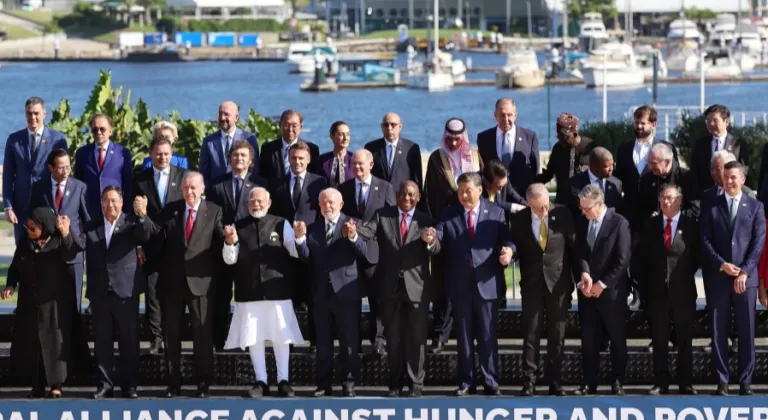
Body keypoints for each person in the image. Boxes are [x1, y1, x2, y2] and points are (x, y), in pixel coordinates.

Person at [134, 171, 225, 398]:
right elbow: (156, 237)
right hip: (173, 282)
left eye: (194, 187)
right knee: (171, 335)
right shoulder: (171, 210)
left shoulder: (214, 211)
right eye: (186, 187)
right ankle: (174, 383)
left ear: (202, 188)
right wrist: (144, 218)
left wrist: (230, 239)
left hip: (201, 282)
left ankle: (203, 382)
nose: (190, 192)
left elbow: (220, 239)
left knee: (202, 334)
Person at [423, 172, 514, 396]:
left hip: (487, 284)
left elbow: (507, 239)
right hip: (460, 286)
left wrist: (510, 251)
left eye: (468, 191)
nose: (463, 195)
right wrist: (431, 240)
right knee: (463, 337)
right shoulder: (448, 214)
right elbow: (439, 242)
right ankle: (466, 382)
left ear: (479, 190)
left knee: (488, 336)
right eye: (460, 191)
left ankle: (491, 382)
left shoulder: (496, 213)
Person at [357, 180, 438, 397]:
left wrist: (429, 241)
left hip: (416, 289)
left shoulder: (426, 220)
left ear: (418, 197)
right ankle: (395, 383)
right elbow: (366, 232)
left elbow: (436, 248)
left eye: (411, 195)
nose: (407, 198)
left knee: (416, 339)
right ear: (397, 195)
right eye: (403, 194)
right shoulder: (383, 215)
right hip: (389, 287)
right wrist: (352, 232)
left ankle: (415, 384)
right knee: (393, 338)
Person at [222, 187, 303, 398]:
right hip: (248, 292)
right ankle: (261, 381)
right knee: (254, 337)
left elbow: (294, 252)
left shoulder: (281, 223)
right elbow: (230, 259)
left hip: (277, 291)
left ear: (269, 203)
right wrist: (229, 242)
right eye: (252, 201)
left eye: (260, 201)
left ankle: (283, 380)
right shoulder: (238, 226)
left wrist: (299, 238)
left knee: (281, 336)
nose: (256, 204)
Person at [1, 208, 88, 398]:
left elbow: (71, 252)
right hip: (30, 305)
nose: (29, 231)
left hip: (54, 306)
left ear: (45, 228)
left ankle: (56, 385)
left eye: (33, 229)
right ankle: (37, 386)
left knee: (54, 346)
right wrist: (10, 285)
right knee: (34, 347)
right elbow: (15, 266)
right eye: (27, 227)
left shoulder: (58, 242)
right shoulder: (26, 243)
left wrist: (66, 233)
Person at [700, 161, 765, 396]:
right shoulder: (712, 206)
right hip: (719, 278)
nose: (729, 181)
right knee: (718, 330)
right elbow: (705, 240)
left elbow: (758, 242)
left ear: (743, 179)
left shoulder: (756, 207)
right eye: (726, 177)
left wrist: (745, 271)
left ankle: (746, 381)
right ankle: (722, 380)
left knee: (746, 330)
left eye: (733, 177)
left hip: (746, 280)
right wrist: (721, 264)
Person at [295, 188, 367, 397]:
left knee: (349, 342)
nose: (328, 206)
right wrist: (300, 240)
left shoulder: (354, 223)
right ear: (319, 205)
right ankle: (323, 384)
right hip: (320, 294)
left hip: (346, 292)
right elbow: (306, 257)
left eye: (331, 202)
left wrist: (353, 237)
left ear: (341, 204)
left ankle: (349, 383)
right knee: (323, 344)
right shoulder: (313, 228)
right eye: (324, 202)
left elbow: (364, 253)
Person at [509, 183, 578, 397]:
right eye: (539, 207)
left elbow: (574, 247)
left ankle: (555, 381)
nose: (545, 210)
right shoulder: (519, 221)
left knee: (557, 334)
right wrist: (509, 254)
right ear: (529, 204)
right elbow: (515, 247)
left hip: (559, 285)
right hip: (532, 285)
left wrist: (582, 275)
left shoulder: (563, 214)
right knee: (531, 333)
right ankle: (529, 381)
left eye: (546, 205)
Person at [84, 186, 151, 399]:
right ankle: (105, 385)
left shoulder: (132, 223)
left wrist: (143, 216)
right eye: (106, 201)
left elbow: (147, 233)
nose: (110, 205)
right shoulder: (91, 226)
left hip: (126, 291)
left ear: (122, 203)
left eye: (114, 201)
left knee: (129, 341)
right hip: (100, 292)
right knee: (102, 342)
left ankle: (129, 385)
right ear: (101, 203)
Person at [422, 118, 482, 354]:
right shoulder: (437, 158)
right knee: (443, 283)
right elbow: (429, 195)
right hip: (446, 224)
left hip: (473, 224)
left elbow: (484, 189)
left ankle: (475, 336)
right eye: (451, 137)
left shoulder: (476, 156)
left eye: (459, 137)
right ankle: (440, 336)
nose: (455, 141)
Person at [635, 184, 699, 395]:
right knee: (660, 339)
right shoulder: (651, 225)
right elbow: (642, 259)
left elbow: (697, 257)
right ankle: (661, 382)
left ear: (680, 200)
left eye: (670, 198)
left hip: (683, 292)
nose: (665, 202)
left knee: (684, 338)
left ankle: (685, 382)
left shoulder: (691, 226)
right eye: (662, 198)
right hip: (657, 293)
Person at [206, 140, 268, 350]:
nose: (238, 158)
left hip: (250, 249)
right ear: (229, 159)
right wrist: (224, 234)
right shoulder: (216, 184)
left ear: (250, 161)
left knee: (247, 297)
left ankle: (249, 341)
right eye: (235, 155)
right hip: (223, 246)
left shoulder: (260, 184)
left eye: (243, 156)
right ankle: (219, 341)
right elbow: (212, 214)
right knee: (221, 296)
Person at [574, 184, 632, 396]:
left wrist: (602, 284)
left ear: (599, 205)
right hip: (588, 292)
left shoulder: (619, 223)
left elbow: (622, 260)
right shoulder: (582, 222)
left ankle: (617, 380)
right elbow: (580, 252)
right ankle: (590, 382)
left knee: (617, 339)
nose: (583, 212)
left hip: (612, 293)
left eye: (586, 208)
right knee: (589, 340)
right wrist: (584, 274)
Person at [131, 136, 187, 355]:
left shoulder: (182, 176)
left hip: (175, 244)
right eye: (158, 153)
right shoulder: (140, 179)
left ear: (171, 152)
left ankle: (172, 337)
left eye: (166, 153)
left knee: (174, 293)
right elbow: (133, 214)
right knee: (152, 294)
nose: (162, 157)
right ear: (150, 153)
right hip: (150, 245)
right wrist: (138, 245)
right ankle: (156, 338)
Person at [338, 149, 396, 354]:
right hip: (350, 252)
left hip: (375, 251)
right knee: (351, 299)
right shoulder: (343, 188)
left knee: (377, 299)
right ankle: (353, 340)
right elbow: (339, 216)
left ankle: (378, 339)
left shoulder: (385, 187)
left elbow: (391, 219)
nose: (357, 168)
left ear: (371, 165)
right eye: (354, 164)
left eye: (361, 164)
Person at [28, 149, 91, 313]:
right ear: (51, 167)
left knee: (73, 304)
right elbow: (31, 218)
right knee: (48, 306)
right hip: (47, 255)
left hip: (73, 254)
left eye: (68, 167)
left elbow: (88, 221)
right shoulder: (39, 187)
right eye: (61, 167)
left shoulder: (79, 187)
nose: (65, 171)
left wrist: (80, 241)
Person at [3, 97, 68, 244]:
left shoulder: (58, 139)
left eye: (36, 113)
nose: (32, 117)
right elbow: (7, 176)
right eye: (29, 113)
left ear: (44, 113)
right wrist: (8, 206)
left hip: (47, 205)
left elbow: (63, 174)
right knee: (23, 253)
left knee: (47, 251)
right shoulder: (14, 140)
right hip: (21, 207)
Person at [477, 98, 540, 196]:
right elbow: (483, 170)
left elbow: (535, 170)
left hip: (522, 198)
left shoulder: (529, 137)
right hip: (494, 198)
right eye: (502, 115)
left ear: (515, 115)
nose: (506, 119)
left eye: (509, 115)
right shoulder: (484, 138)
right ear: (495, 115)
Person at [74, 114, 133, 217]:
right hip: (90, 212)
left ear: (110, 130)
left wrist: (127, 213)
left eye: (102, 129)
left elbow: (128, 186)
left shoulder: (122, 153)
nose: (99, 133)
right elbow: (78, 184)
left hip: (114, 210)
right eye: (95, 130)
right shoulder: (82, 153)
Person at [537, 113, 595, 205]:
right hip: (562, 202)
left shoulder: (590, 148)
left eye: (565, 137)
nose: (561, 140)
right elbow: (548, 174)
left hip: (584, 204)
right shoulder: (558, 149)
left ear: (575, 134)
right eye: (559, 137)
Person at [691, 104, 749, 195]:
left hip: (731, 193)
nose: (711, 124)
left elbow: (744, 170)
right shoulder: (700, 144)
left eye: (715, 120)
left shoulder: (738, 144)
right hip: (705, 195)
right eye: (708, 121)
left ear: (726, 122)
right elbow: (694, 172)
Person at [198, 101, 260, 185]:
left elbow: (254, 169)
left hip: (243, 191)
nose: (222, 118)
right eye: (220, 114)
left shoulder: (249, 139)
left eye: (226, 114)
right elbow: (203, 173)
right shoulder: (208, 142)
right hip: (216, 193)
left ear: (236, 117)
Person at [365, 112, 423, 192]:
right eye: (386, 125)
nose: (389, 128)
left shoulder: (411, 148)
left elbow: (417, 179)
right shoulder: (371, 148)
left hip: (402, 199)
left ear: (400, 127)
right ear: (382, 127)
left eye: (393, 125)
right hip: (378, 198)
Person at [259, 110, 322, 180]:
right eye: (286, 125)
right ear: (280, 125)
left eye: (294, 126)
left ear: (300, 127)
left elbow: (314, 176)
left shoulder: (312, 149)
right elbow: (262, 176)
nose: (290, 129)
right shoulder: (268, 149)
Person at [318, 121, 354, 188]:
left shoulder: (354, 159)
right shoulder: (322, 160)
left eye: (348, 134)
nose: (345, 138)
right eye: (341, 134)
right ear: (332, 136)